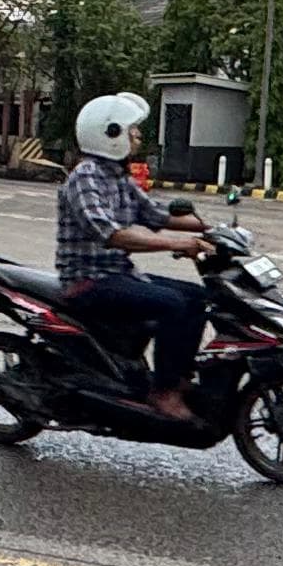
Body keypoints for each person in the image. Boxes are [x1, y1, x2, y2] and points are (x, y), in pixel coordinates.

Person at [55, 91, 220, 415]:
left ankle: (177, 377)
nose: (138, 135)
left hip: (118, 274)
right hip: (88, 281)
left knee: (197, 297)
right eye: (133, 130)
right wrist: (177, 244)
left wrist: (213, 229)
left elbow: (155, 214)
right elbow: (113, 235)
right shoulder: (85, 177)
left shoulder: (117, 176)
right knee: (172, 305)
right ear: (110, 133)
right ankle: (163, 392)